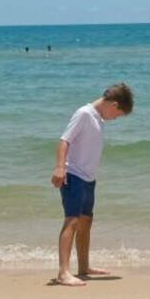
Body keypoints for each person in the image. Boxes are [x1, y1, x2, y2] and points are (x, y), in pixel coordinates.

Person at [50, 83, 134, 285]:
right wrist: (60, 167)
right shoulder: (84, 114)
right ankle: (63, 272)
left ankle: (83, 267)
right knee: (72, 220)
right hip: (73, 175)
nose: (116, 118)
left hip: (88, 178)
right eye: (118, 115)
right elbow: (64, 140)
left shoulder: (98, 119)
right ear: (114, 105)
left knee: (86, 221)